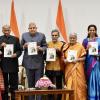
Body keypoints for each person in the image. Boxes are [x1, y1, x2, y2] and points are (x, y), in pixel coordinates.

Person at [21, 22, 47, 100]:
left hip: (39, 62)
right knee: (30, 84)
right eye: (30, 28)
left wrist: (40, 48)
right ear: (28, 29)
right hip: (28, 62)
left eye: (34, 28)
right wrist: (24, 46)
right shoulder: (24, 35)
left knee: (39, 84)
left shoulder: (42, 35)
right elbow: (20, 47)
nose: (32, 29)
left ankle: (39, 99)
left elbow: (45, 46)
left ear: (36, 28)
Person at [0, 25, 22, 100]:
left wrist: (16, 54)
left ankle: (14, 98)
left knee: (14, 85)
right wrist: (0, 46)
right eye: (5, 30)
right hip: (3, 64)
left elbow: (20, 50)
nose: (6, 32)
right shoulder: (0, 38)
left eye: (8, 30)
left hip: (13, 64)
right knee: (4, 85)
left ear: (10, 30)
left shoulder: (15, 39)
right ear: (2, 30)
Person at [63, 33, 87, 100]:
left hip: (78, 68)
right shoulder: (66, 46)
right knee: (69, 84)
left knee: (79, 85)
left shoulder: (80, 46)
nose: (72, 39)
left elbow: (84, 58)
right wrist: (65, 60)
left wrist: (77, 59)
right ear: (69, 38)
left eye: (73, 38)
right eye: (71, 38)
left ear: (76, 38)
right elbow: (63, 58)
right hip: (68, 68)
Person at [45, 29, 65, 100]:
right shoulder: (47, 44)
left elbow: (64, 55)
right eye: (53, 35)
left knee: (59, 86)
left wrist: (59, 51)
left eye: (56, 35)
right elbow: (44, 56)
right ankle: (50, 98)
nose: (54, 37)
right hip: (49, 67)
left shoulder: (62, 44)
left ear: (58, 36)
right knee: (50, 85)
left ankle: (59, 98)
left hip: (58, 67)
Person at [82, 24, 100, 100]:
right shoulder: (85, 40)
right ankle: (91, 97)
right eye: (90, 30)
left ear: (95, 31)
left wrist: (97, 55)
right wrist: (86, 49)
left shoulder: (99, 40)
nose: (92, 31)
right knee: (90, 79)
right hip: (88, 62)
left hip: (97, 62)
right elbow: (82, 53)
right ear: (88, 31)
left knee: (97, 78)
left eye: (93, 30)